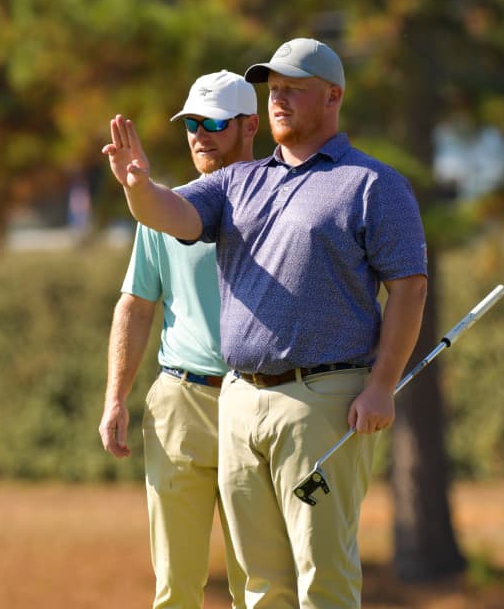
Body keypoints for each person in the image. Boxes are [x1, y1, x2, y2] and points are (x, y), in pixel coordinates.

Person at [103, 38, 428, 609]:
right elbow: (171, 214)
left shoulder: (373, 184)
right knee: (259, 586)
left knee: (321, 579)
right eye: (273, 89)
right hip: (242, 401)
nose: (278, 100)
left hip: (325, 400)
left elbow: (409, 288)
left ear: (332, 97)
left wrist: (381, 384)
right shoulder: (239, 183)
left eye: (292, 90)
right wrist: (137, 188)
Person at [99, 69, 259, 609]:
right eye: (191, 123)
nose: (199, 134)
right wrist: (115, 396)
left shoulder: (281, 206)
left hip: (258, 401)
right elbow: (137, 304)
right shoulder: (162, 209)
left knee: (258, 585)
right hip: (181, 403)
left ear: (250, 127)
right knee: (175, 588)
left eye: (214, 122)